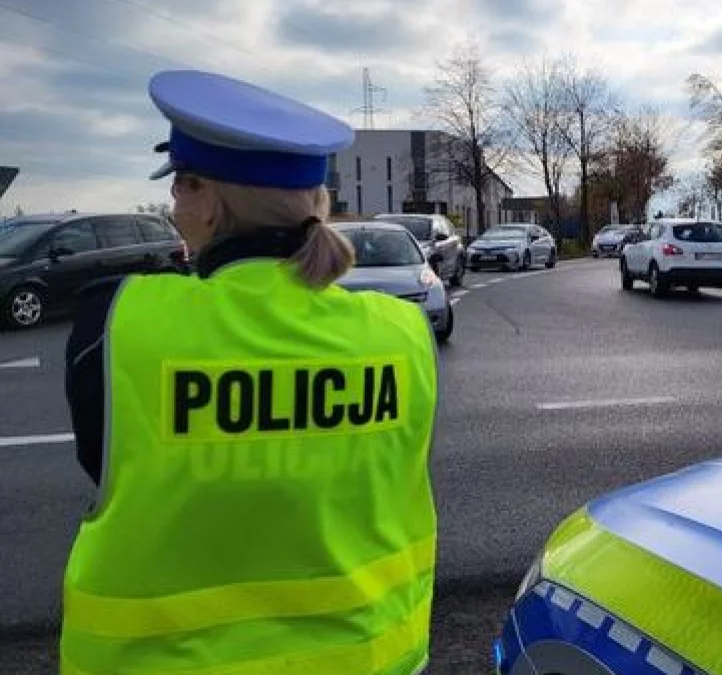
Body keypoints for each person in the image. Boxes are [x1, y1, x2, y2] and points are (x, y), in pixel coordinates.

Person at [59, 70, 439, 675]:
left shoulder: (116, 323)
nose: (172, 205)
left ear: (208, 202)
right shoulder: (402, 333)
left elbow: (105, 465)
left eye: (180, 188)